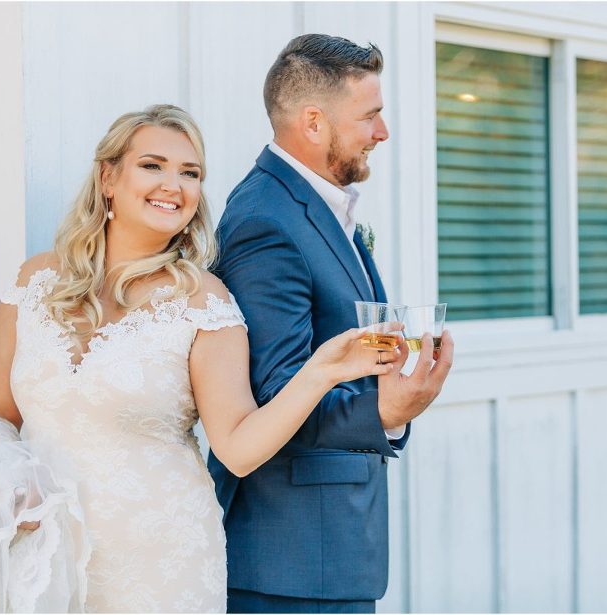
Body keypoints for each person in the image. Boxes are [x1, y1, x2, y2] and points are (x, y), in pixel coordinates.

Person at [0, 104, 405, 614]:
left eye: (190, 173)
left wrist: (322, 369)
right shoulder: (32, 283)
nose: (173, 184)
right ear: (108, 177)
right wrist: (7, 482)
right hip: (43, 557)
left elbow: (238, 447)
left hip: (160, 565)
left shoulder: (205, 302)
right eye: (153, 165)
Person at [209, 34, 454, 613]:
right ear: (314, 123)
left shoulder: (317, 204)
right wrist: (386, 412)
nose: (383, 132)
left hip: (331, 553)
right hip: (291, 564)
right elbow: (271, 397)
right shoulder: (264, 220)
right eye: (370, 115)